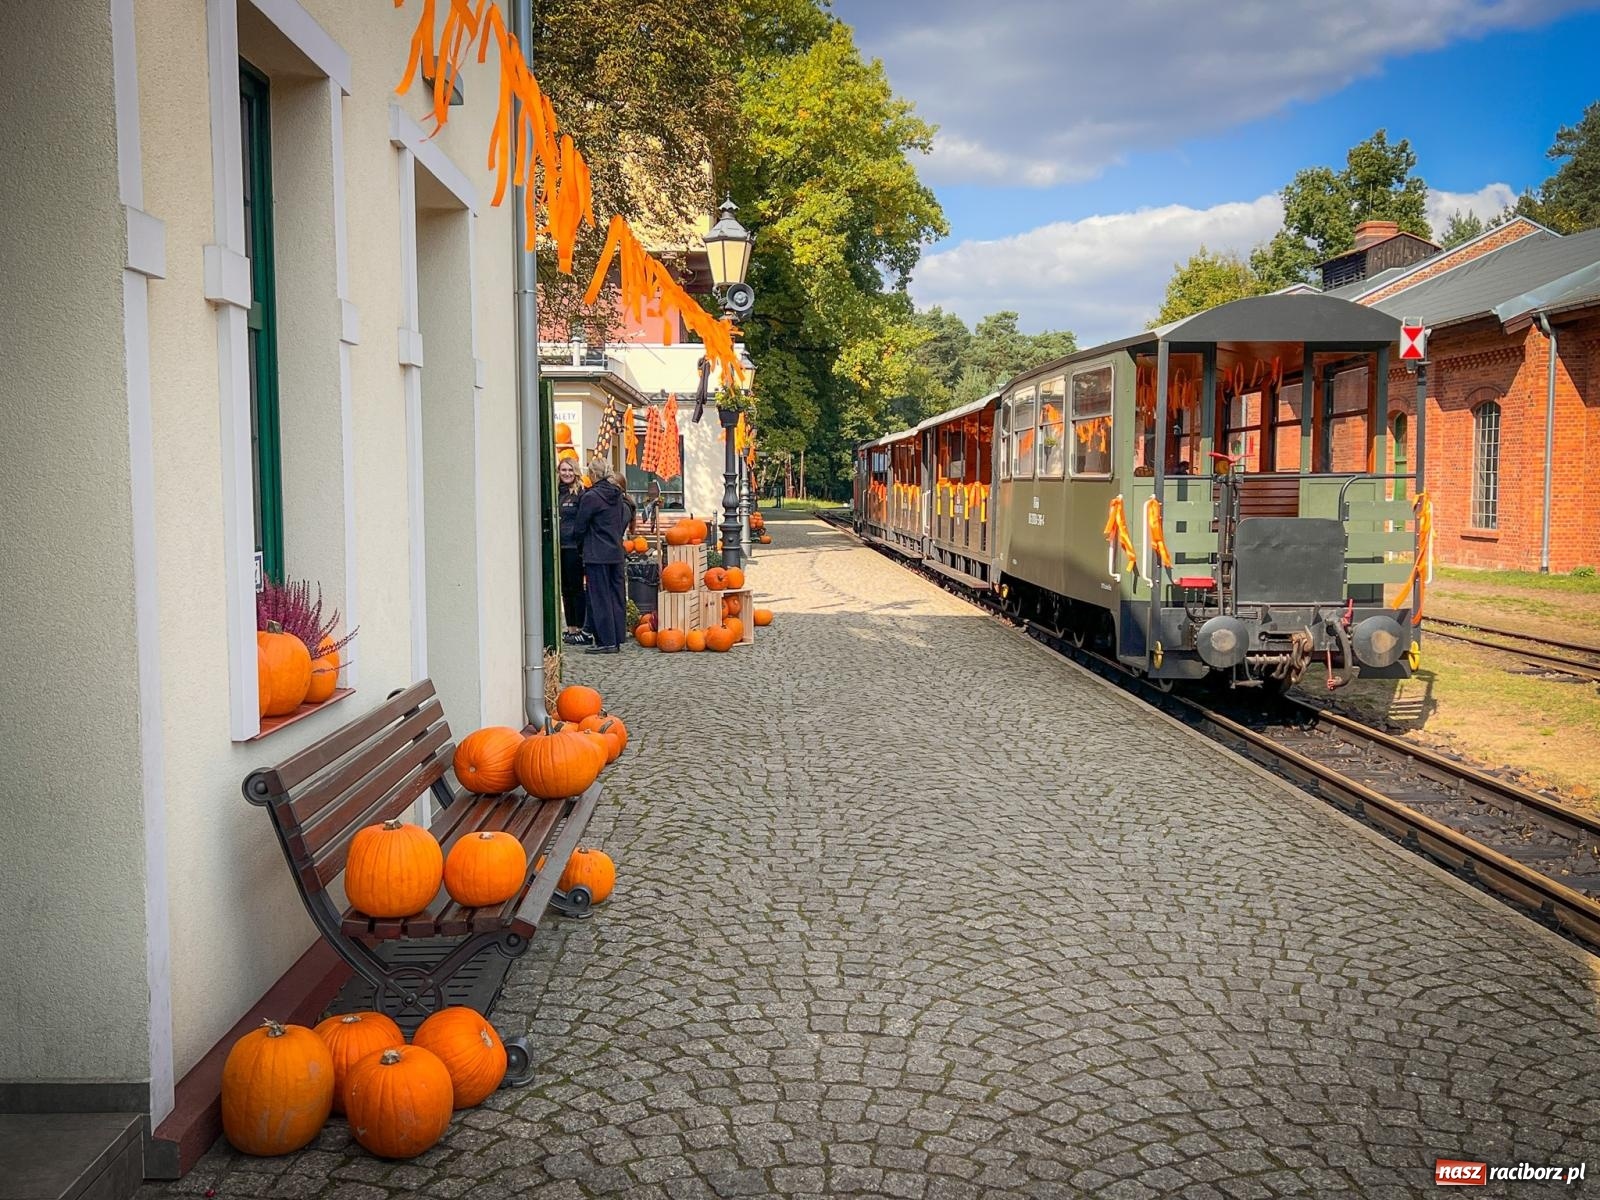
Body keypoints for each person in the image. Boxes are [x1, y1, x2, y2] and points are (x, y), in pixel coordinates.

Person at [575, 455, 629, 654]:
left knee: (599, 597)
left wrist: (579, 545)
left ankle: (605, 641)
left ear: (593, 474)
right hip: (616, 551)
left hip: (597, 552)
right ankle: (616, 638)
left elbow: (580, 526)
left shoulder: (591, 497)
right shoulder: (617, 495)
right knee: (616, 596)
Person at [556, 458, 589, 645]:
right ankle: (571, 627)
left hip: (573, 547)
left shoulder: (580, 493)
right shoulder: (557, 493)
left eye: (570, 470)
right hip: (559, 547)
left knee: (576, 588)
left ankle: (581, 627)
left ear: (575, 472)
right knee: (565, 589)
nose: (566, 473)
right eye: (563, 470)